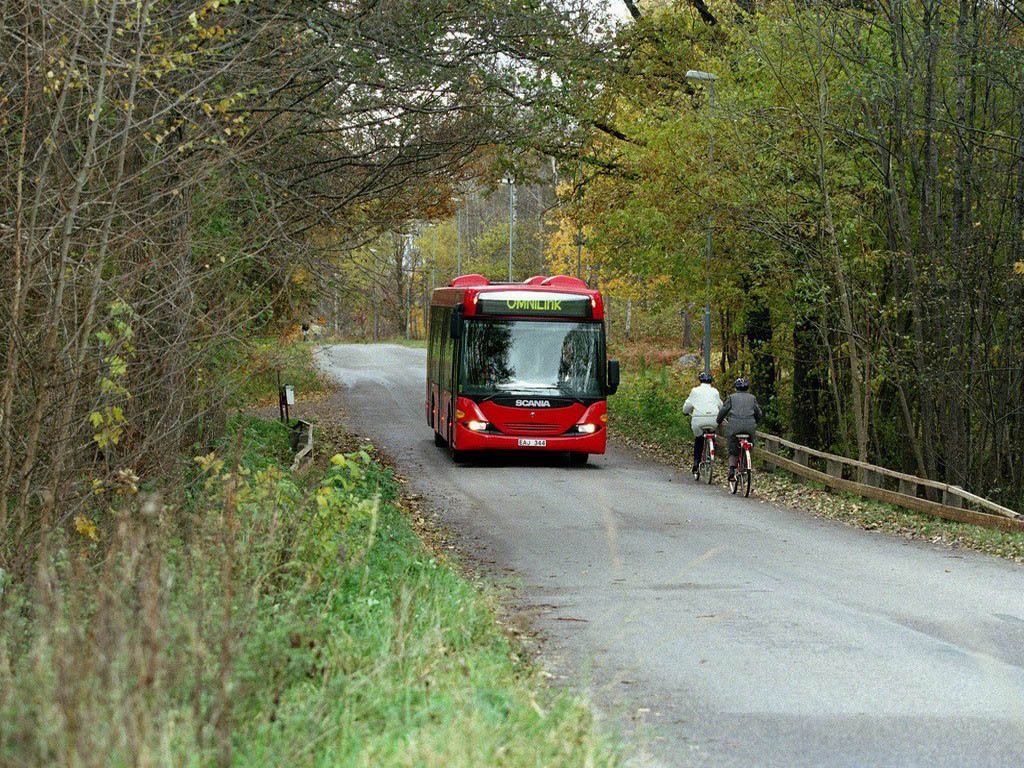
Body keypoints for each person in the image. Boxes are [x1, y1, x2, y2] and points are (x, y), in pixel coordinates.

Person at [716, 377, 762, 481]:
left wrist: (718, 421)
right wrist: (754, 422)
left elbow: (723, 411)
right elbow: (759, 413)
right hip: (749, 427)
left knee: (733, 447)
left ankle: (732, 470)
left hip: (734, 427)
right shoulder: (752, 398)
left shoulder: (732, 397)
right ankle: (746, 464)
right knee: (750, 443)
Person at [683, 372, 723, 479]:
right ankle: (711, 450)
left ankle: (696, 463)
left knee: (699, 438)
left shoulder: (695, 391)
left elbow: (687, 406)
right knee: (712, 432)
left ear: (700, 381)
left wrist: (685, 412)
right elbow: (720, 405)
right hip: (713, 419)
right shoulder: (715, 392)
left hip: (699, 419)